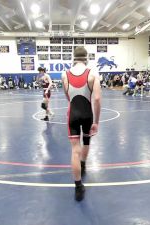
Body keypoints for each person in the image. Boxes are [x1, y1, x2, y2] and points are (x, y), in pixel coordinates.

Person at [61, 46, 101, 201]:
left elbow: (67, 95)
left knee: (74, 151)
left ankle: (78, 187)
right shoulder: (92, 73)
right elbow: (96, 99)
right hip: (87, 115)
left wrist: (72, 105)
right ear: (86, 58)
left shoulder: (65, 74)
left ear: (74, 58)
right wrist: (96, 121)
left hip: (73, 114)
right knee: (86, 141)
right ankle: (83, 164)